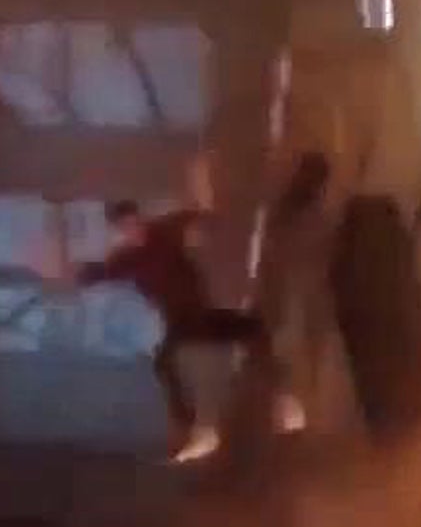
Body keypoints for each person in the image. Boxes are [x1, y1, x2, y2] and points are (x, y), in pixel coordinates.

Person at [65, 161, 291, 465]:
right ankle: (197, 431)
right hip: (180, 323)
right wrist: (65, 272)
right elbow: (97, 273)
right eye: (126, 228)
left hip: (199, 315)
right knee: (165, 361)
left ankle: (282, 401)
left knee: (253, 328)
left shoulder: (165, 229)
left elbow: (200, 212)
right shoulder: (126, 258)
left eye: (135, 223)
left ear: (139, 219)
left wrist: (201, 181)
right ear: (120, 230)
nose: (134, 231)